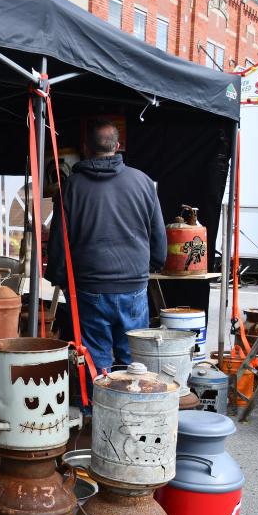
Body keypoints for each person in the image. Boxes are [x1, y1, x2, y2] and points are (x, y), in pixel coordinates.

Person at [46, 120, 167, 374]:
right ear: (119, 147)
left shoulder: (72, 187)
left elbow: (59, 239)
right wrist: (149, 266)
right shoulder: (143, 182)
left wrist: (58, 277)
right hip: (133, 285)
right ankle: (130, 411)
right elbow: (158, 237)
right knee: (133, 359)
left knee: (95, 359)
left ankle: (94, 411)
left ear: (85, 148)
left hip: (89, 287)